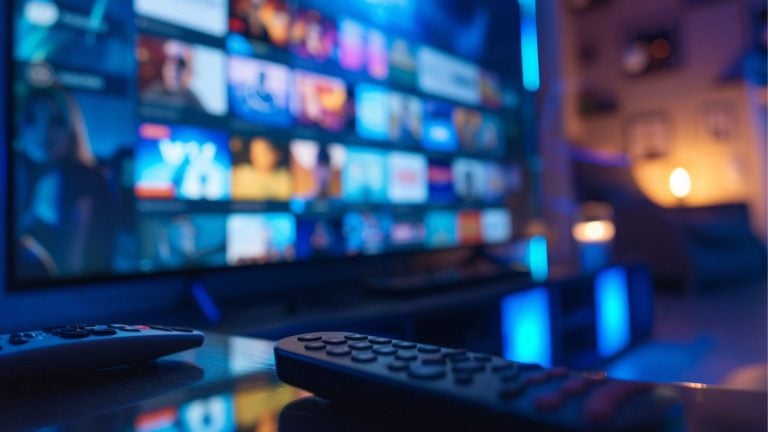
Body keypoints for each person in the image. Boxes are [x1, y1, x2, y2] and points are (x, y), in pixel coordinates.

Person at [15, 86, 118, 279]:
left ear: (72, 128)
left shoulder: (85, 180)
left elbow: (73, 267)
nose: (44, 132)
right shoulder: (20, 175)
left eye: (56, 121)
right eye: (32, 119)